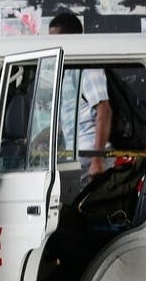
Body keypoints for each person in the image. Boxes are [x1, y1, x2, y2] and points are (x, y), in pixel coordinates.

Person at [48, 11, 114, 183]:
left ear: (73, 38)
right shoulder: (69, 69)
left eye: (58, 39)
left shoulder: (89, 68)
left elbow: (104, 111)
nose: (53, 44)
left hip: (91, 156)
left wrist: (97, 159)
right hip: (77, 155)